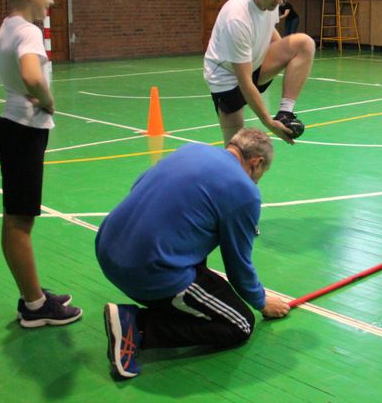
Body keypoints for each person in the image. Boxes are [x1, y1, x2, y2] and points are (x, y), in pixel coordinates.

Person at [96, 130, 290, 379]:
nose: (258, 180)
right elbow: (238, 266)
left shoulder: (192, 149)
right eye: (262, 174)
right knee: (239, 324)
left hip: (108, 249)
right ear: (256, 163)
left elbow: (139, 185)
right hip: (146, 270)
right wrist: (261, 302)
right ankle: (137, 326)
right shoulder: (244, 191)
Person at [0, 0, 82, 328]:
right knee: (19, 223)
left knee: (15, 219)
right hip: (23, 131)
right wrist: (47, 101)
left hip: (12, 129)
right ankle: (34, 306)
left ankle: (33, 293)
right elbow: (31, 74)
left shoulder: (8, 26)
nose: (52, 2)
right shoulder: (28, 31)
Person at [204, 0, 314, 145]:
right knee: (237, 148)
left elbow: (268, 26)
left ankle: (285, 112)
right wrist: (268, 122)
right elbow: (245, 82)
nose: (279, 1)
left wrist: (285, 58)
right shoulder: (237, 18)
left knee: (305, 44)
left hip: (256, 63)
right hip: (228, 80)